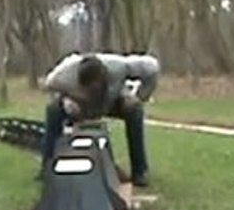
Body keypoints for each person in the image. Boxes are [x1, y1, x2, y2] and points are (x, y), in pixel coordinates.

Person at [40, 51, 160, 187]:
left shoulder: (119, 67)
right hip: (79, 104)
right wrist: (64, 99)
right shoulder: (64, 75)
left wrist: (140, 96)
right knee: (53, 109)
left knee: (134, 109)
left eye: (97, 87)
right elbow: (47, 86)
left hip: (110, 102)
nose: (94, 90)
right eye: (91, 88)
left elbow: (152, 67)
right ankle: (48, 167)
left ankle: (139, 172)